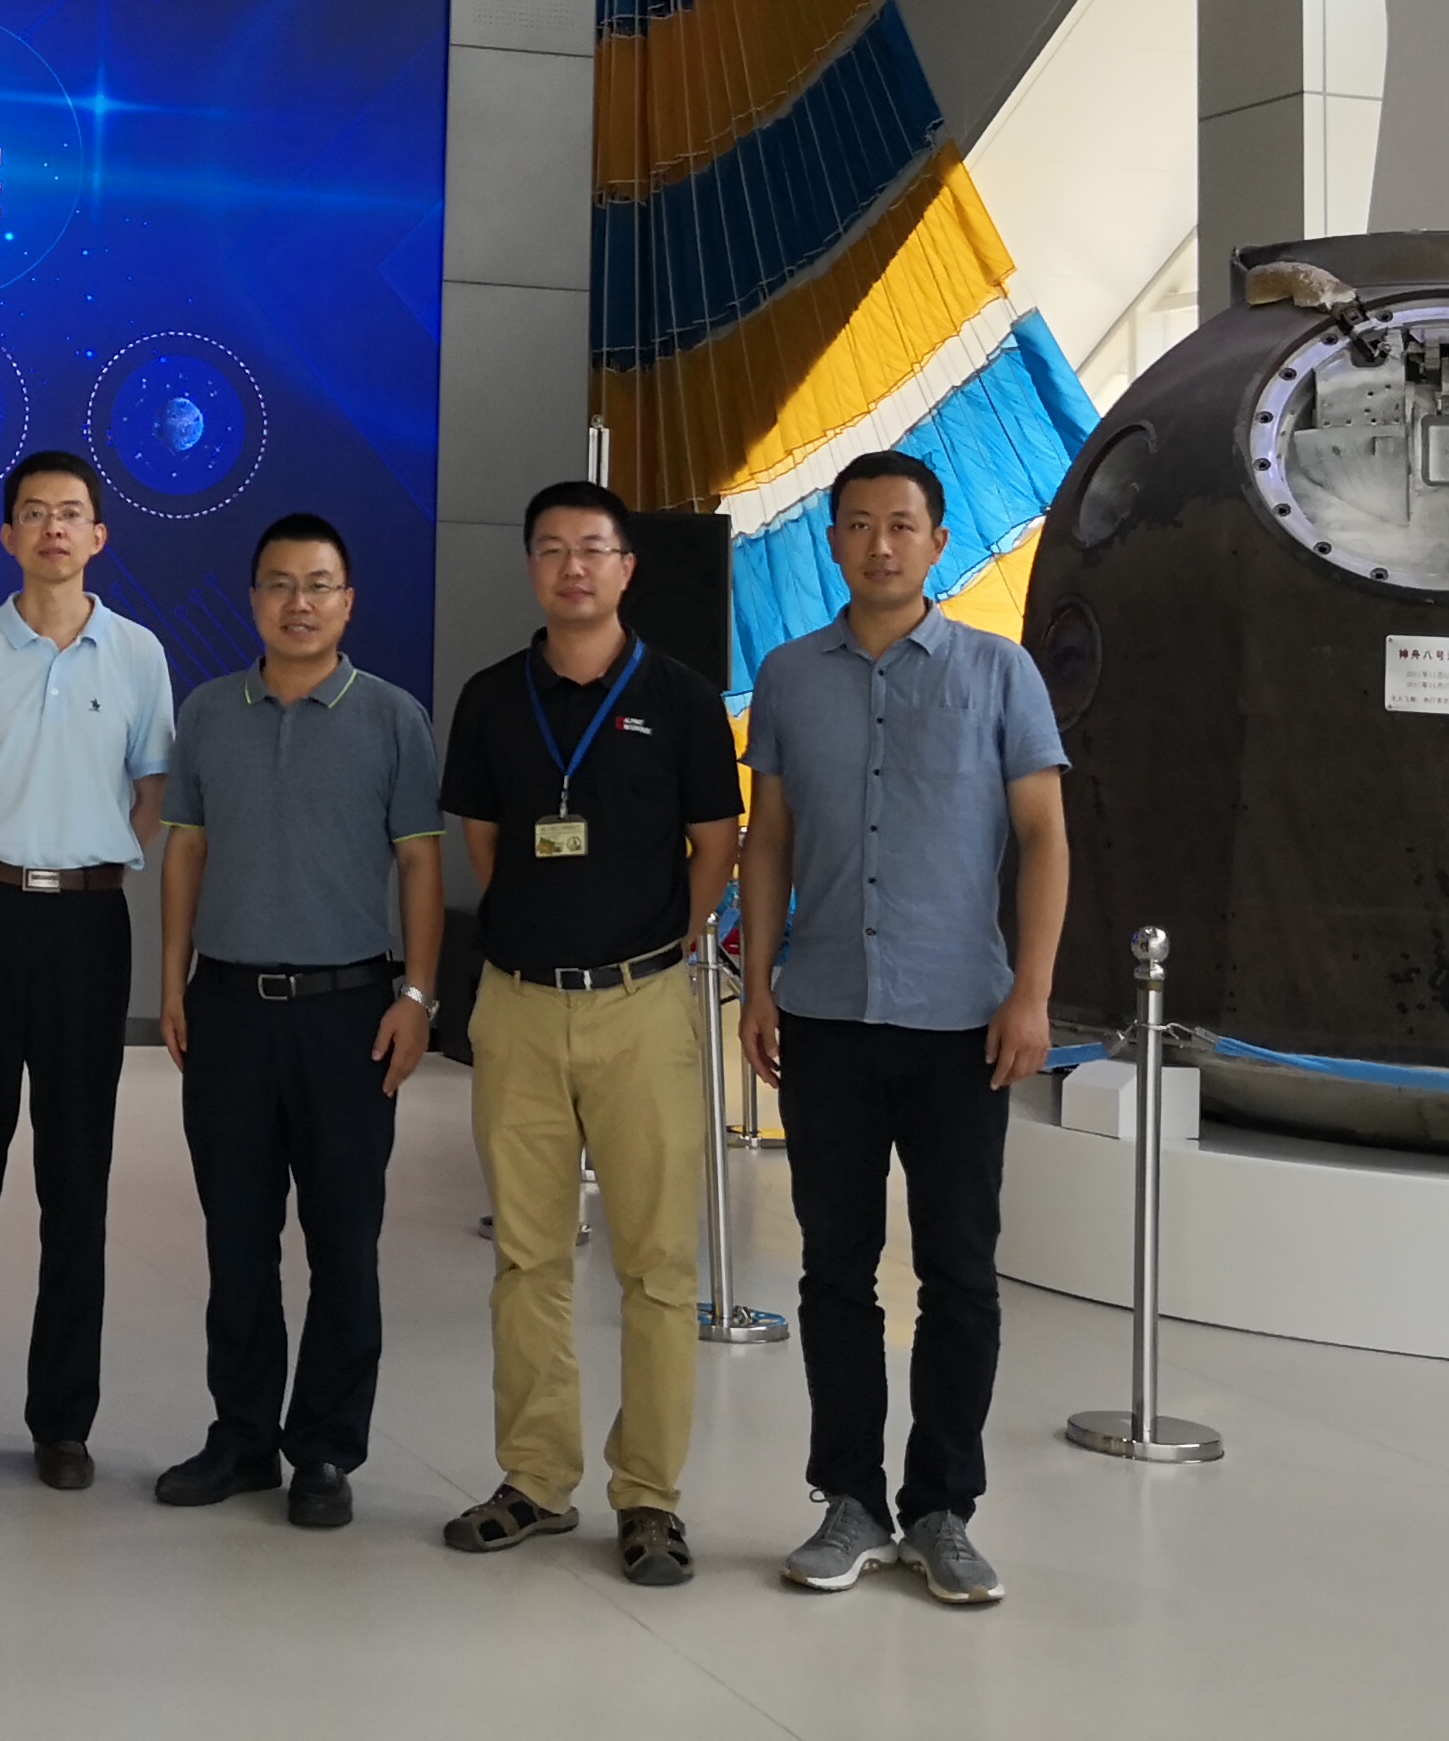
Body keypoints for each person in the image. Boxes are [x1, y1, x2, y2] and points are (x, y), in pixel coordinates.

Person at [739, 449, 1069, 1609]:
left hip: (959, 1021)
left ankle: (941, 1510)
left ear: (936, 541)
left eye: (900, 524)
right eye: (857, 524)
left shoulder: (998, 672)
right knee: (832, 1270)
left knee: (957, 1274)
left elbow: (1043, 837)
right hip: (824, 1014)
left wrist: (1030, 992)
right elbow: (767, 840)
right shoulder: (786, 676)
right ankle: (848, 1500)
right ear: (831, 540)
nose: (878, 544)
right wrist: (758, 982)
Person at [435, 479, 743, 1587]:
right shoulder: (490, 697)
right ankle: (534, 1479)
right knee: (527, 1258)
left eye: (594, 549)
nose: (573, 567)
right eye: (553, 549)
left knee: (656, 1264)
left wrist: (658, 942)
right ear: (531, 567)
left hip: (641, 1007)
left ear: (626, 569)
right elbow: (482, 841)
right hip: (519, 1005)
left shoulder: (681, 697)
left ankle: (649, 1497)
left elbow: (716, 843)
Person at [152, 513, 445, 1531]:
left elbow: (420, 863)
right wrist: (173, 982)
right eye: (279, 584)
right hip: (228, 1009)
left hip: (350, 1015)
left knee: (343, 1242)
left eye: (318, 584)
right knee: (236, 1238)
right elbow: (184, 851)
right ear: (253, 600)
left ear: (348, 601)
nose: (299, 602)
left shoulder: (394, 718)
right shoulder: (206, 713)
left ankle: (323, 1448)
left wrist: (417, 996)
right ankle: (239, 1439)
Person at [0, 450, 180, 1492]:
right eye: (33, 513)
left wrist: (77, 860)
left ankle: (62, 1424)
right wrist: (0, 860)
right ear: (8, 535)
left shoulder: (139, 654)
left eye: (71, 514)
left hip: (88, 928)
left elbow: (152, 794)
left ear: (99, 536)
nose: (53, 529)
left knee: (76, 1180)